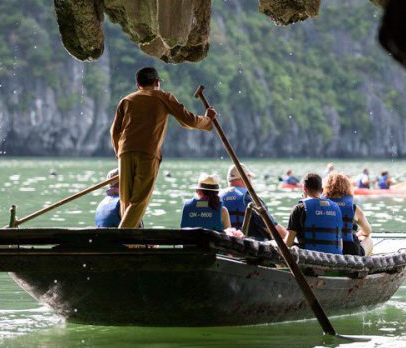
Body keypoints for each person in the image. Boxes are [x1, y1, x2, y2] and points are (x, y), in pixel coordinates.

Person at [111, 67, 216, 228]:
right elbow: (188, 120)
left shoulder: (127, 100)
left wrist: (120, 154)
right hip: (147, 153)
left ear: (138, 85)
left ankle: (131, 244)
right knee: (139, 201)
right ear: (156, 82)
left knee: (127, 201)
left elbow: (114, 131)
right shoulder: (163, 97)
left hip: (124, 152)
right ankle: (119, 241)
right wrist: (207, 120)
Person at [220, 163, 289, 241]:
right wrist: (291, 240)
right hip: (250, 246)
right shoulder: (249, 198)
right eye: (250, 177)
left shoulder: (217, 196)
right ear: (246, 177)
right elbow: (273, 228)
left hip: (224, 242)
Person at [285, 173, 343, 254]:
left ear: (304, 189)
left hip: (309, 258)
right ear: (322, 190)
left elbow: (288, 243)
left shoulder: (300, 208)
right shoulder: (337, 208)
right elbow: (340, 242)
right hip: (335, 258)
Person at [323, 173, 374, 256]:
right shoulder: (354, 209)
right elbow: (368, 231)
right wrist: (358, 235)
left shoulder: (320, 206)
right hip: (351, 252)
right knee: (368, 240)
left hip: (327, 249)